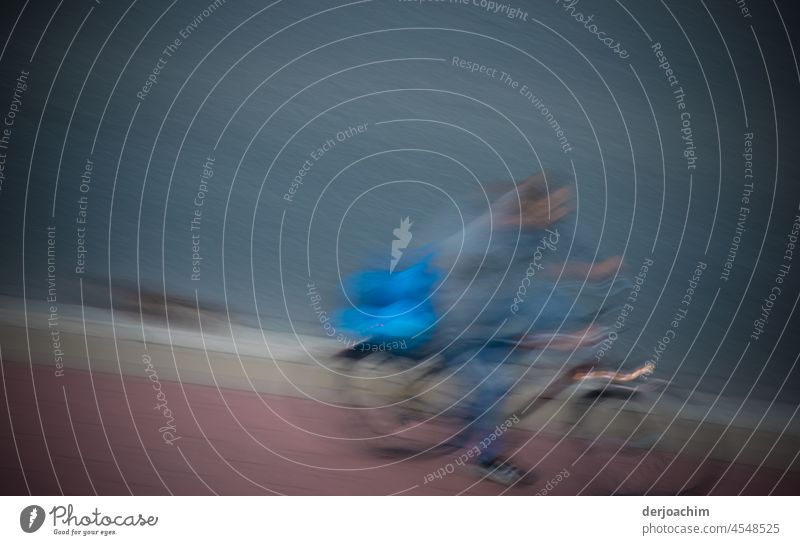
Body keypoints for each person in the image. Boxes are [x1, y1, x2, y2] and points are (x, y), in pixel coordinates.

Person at [432, 170, 623, 485]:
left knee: (555, 324)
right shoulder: (493, 239)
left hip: (493, 309)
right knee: (498, 385)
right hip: (464, 319)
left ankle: (473, 414)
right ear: (534, 205)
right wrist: (559, 339)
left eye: (565, 204)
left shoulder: (529, 230)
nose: (563, 211)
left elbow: (543, 271)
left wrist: (593, 273)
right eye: (556, 205)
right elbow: (487, 310)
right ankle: (485, 459)